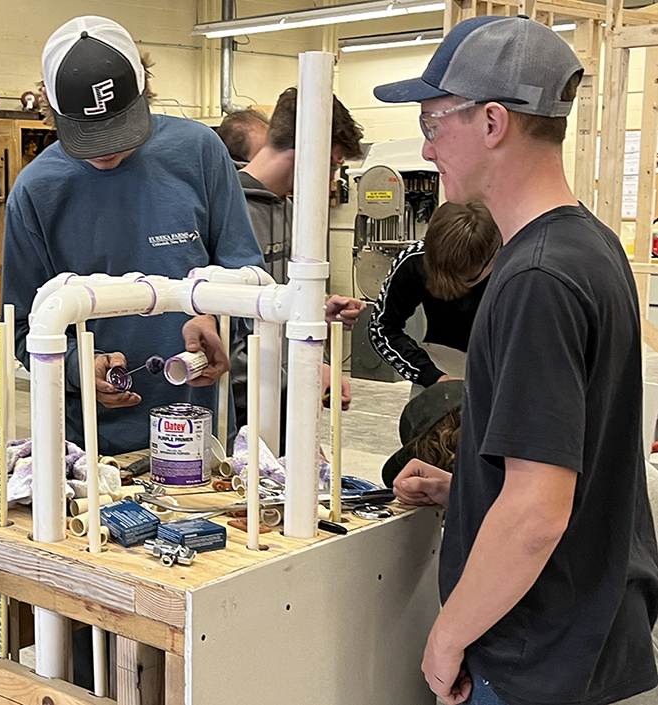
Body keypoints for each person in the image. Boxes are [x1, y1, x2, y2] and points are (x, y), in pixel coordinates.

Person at [377, 15, 658, 705]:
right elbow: (571, 463)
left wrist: (445, 638)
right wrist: (467, 494)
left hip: (535, 659)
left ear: (493, 121)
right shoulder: (588, 247)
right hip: (591, 638)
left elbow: (536, 512)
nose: (425, 144)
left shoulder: (535, 277)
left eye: (434, 120)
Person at [3, 16, 264, 456]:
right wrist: (78, 368)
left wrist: (214, 315)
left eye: (119, 131)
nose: (105, 150)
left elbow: (246, 272)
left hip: (202, 427)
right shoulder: (36, 190)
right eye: (88, 136)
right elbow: (24, 325)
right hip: (91, 446)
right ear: (49, 105)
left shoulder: (198, 152)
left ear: (144, 90)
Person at [230, 87, 366, 440]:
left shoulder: (295, 215)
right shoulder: (227, 213)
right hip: (236, 416)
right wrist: (302, 376)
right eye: (334, 165)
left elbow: (281, 309)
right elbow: (226, 335)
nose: (334, 180)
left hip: (287, 404)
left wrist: (319, 314)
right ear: (308, 152)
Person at [369, 201, 500, 398]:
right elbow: (382, 327)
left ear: (493, 257)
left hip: (503, 365)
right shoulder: (415, 260)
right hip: (443, 362)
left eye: (467, 278)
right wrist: (431, 376)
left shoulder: (518, 264)